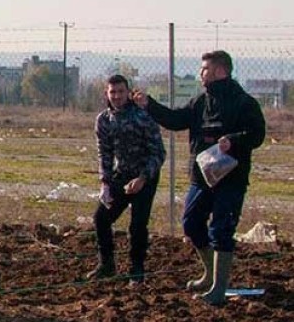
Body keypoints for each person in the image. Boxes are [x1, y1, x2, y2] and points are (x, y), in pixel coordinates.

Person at [134, 50, 266, 306]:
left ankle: (218, 288)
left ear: (219, 71)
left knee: (221, 229)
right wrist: (149, 105)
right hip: (202, 177)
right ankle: (209, 273)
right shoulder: (200, 103)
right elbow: (175, 120)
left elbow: (257, 134)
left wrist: (234, 141)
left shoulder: (243, 103)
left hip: (231, 179)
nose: (200, 73)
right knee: (191, 223)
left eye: (204, 69)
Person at [87, 74, 164, 284]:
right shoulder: (103, 120)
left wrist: (142, 178)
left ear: (128, 93)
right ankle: (106, 265)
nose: (117, 96)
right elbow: (105, 153)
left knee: (137, 224)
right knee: (101, 218)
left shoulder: (143, 116)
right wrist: (105, 183)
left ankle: (136, 270)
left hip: (145, 176)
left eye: (121, 91)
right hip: (121, 175)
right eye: (113, 92)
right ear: (107, 94)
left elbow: (158, 152)